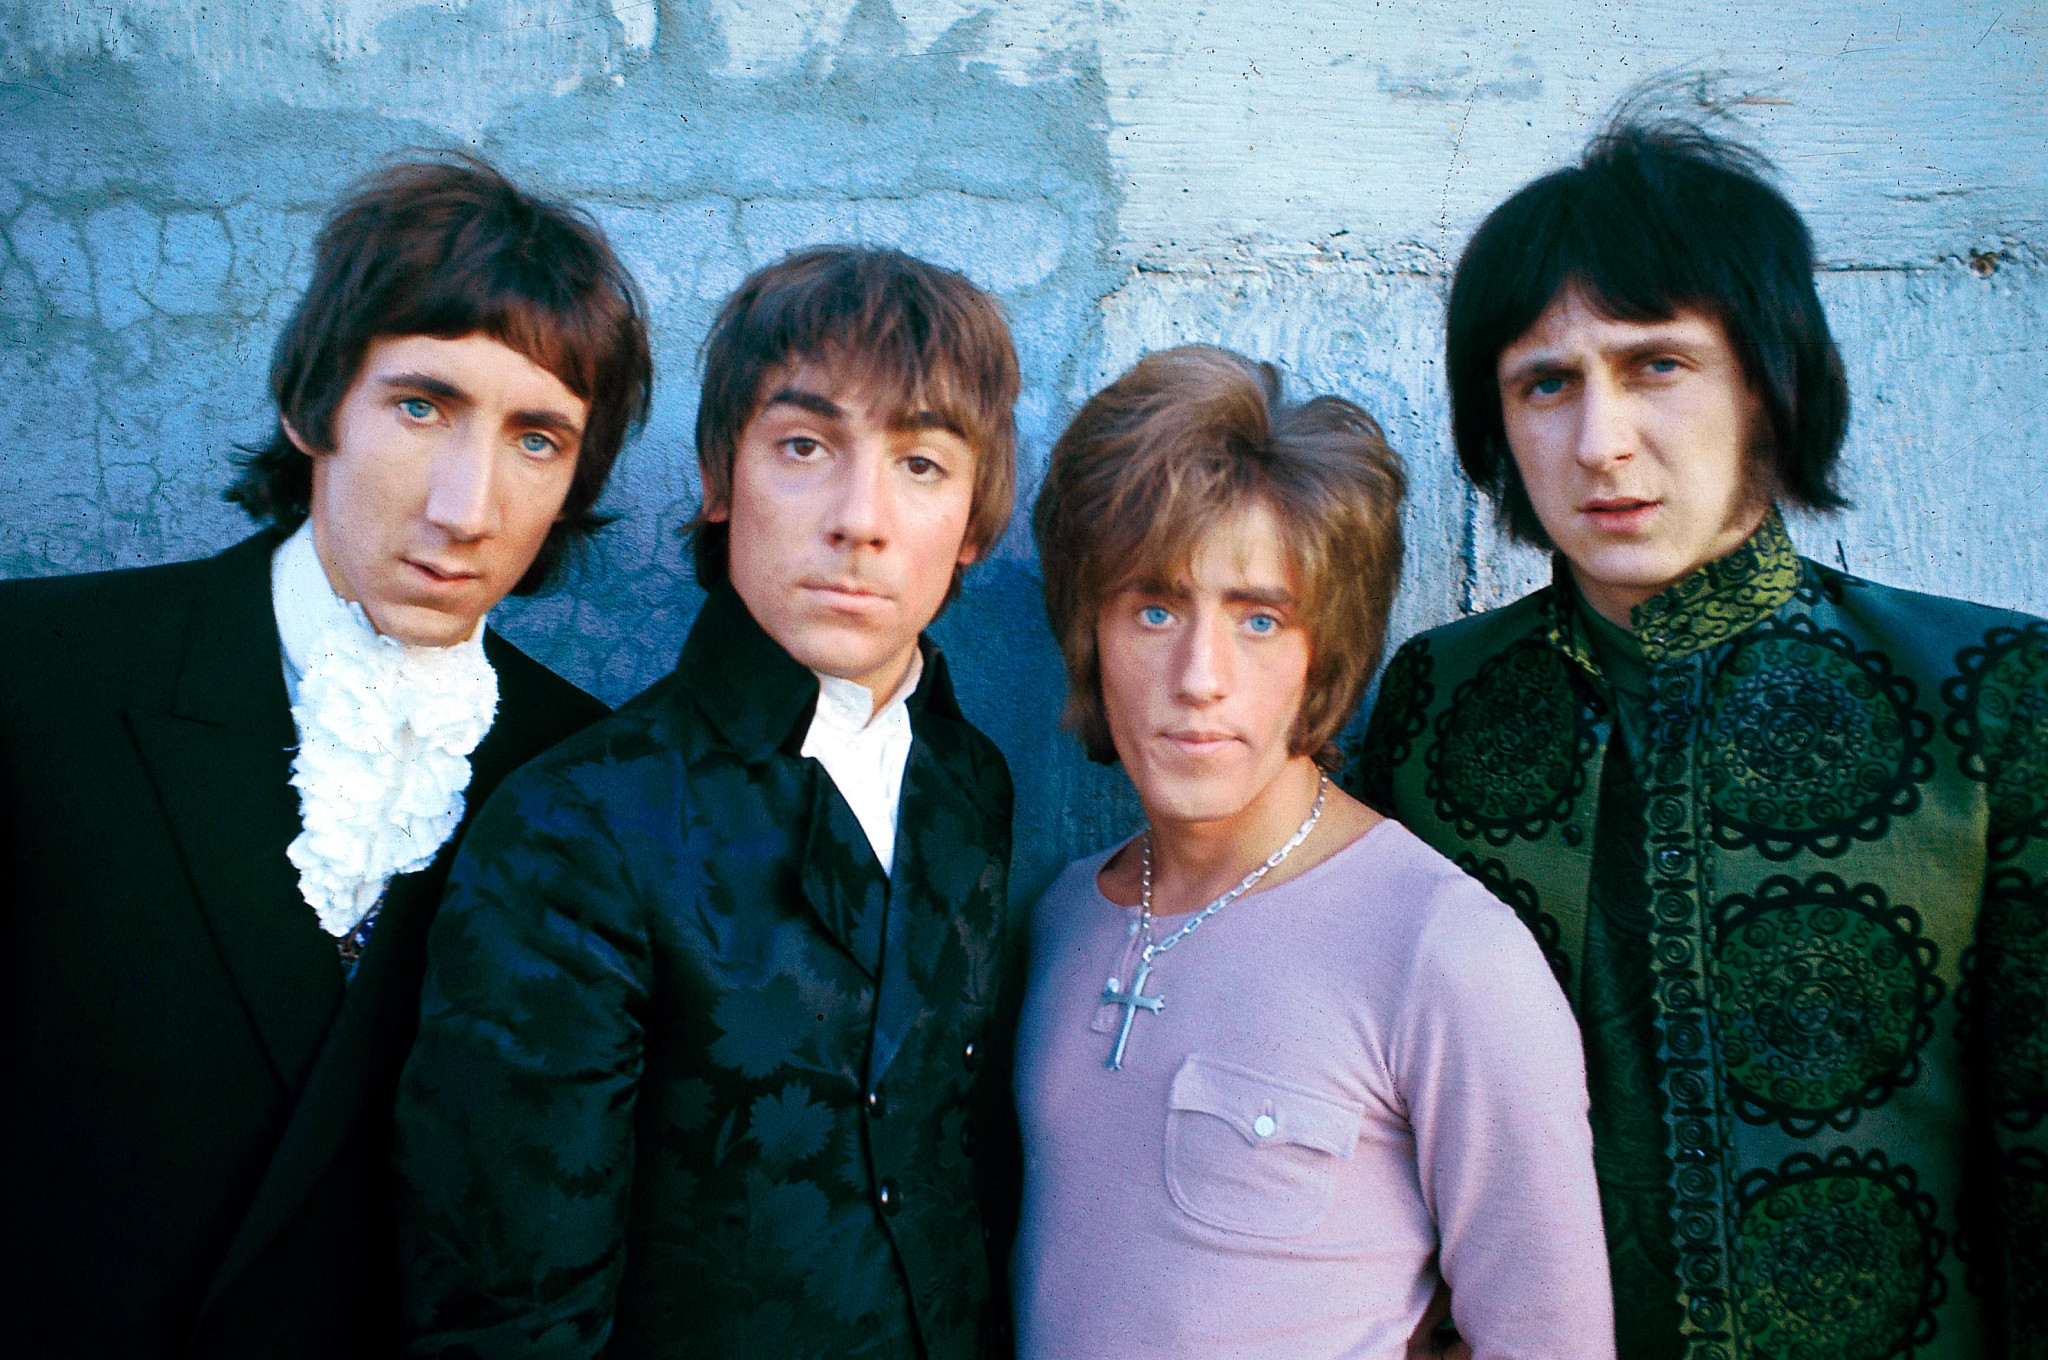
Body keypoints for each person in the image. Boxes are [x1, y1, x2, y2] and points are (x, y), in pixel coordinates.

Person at [1347, 118, 2048, 1358]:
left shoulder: (1989, 694)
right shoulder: (1434, 700)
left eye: (1656, 364)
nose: (1598, 443)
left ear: (1767, 385)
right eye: (1544, 382)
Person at [0, 154, 649, 1357]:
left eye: (537, 439)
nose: (469, 504)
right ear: (312, 405)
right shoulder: (36, 676)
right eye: (421, 406)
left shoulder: (590, 778)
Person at [394, 245, 1023, 1359]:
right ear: (718, 481)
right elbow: (512, 1314)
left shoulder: (971, 781)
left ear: (973, 519)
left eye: (920, 464)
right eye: (803, 446)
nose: (859, 519)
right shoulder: (578, 825)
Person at [1014, 345, 1614, 1359]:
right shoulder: (1061, 912)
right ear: (1089, 631)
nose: (1198, 676)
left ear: (1322, 654)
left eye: (1258, 617)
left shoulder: (1442, 952)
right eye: (1153, 607)